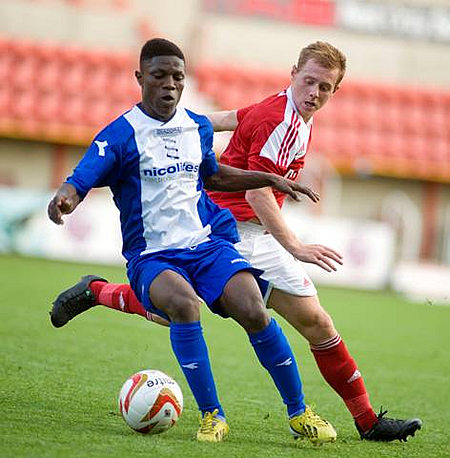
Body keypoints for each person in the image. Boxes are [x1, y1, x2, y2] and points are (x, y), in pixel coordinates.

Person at [50, 41, 422, 442]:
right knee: (176, 309)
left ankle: (361, 419)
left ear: (336, 90)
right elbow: (256, 194)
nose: (315, 92)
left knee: (310, 321)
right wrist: (296, 246)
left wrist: (185, 125)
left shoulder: (292, 113)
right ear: (293, 73)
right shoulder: (276, 120)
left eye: (325, 87)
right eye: (310, 81)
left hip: (243, 235)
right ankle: (102, 293)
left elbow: (227, 122)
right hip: (231, 232)